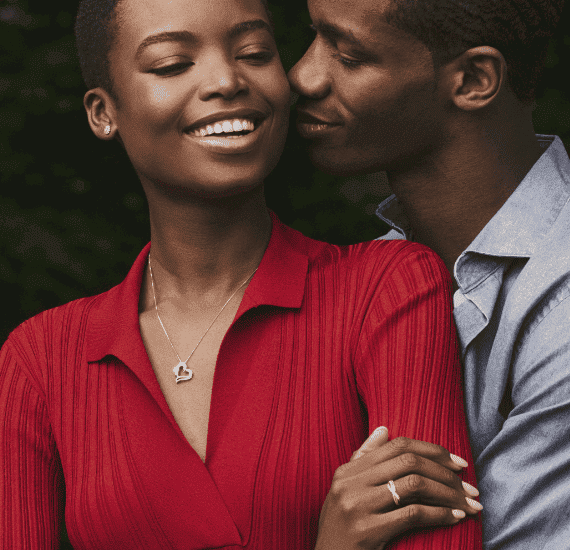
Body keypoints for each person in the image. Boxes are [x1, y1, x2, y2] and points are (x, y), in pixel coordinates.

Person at [0, 0, 483, 548]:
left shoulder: (389, 287)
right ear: (103, 112)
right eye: (171, 64)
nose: (228, 80)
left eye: (254, 53)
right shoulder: (39, 360)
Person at [288, 0, 570, 548]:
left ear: (472, 79)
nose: (301, 74)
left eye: (348, 55)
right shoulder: (370, 274)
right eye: (311, 38)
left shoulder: (562, 310)